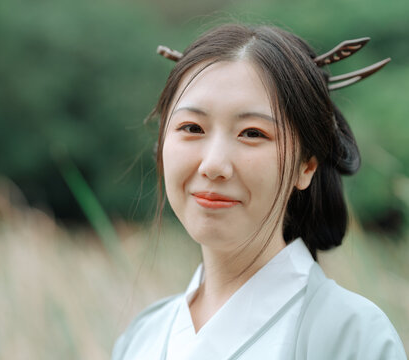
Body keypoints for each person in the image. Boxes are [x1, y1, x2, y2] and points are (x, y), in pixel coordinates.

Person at [112, 24, 407, 359]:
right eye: (191, 128)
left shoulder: (352, 336)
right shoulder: (142, 338)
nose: (214, 165)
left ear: (306, 166)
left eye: (252, 133)